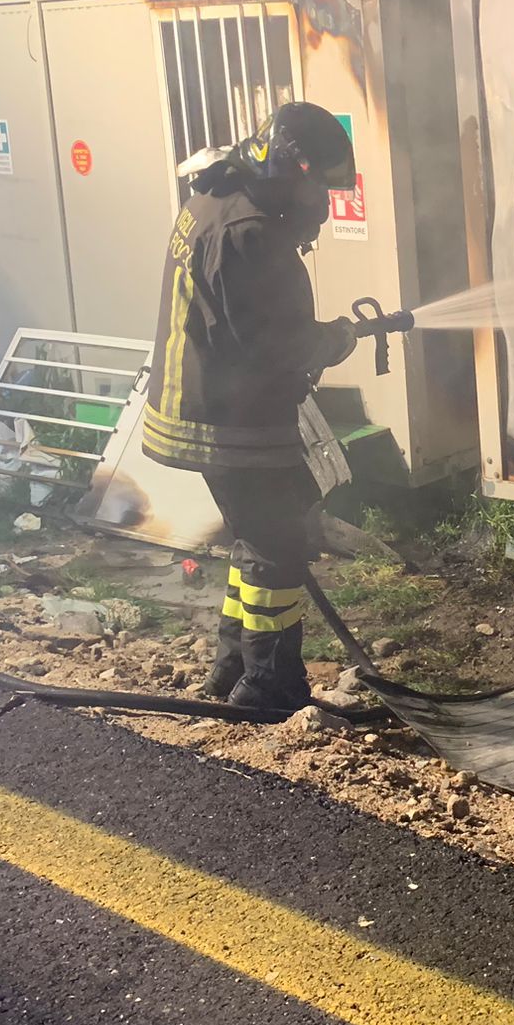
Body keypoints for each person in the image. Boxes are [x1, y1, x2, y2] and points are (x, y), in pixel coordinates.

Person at [142, 101, 362, 711]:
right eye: (320, 184)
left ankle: (234, 666)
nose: (322, 201)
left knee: (254, 539)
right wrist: (334, 339)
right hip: (228, 419)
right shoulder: (252, 233)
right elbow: (275, 343)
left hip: (207, 406)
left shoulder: (217, 197)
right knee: (277, 546)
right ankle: (269, 686)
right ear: (290, 167)